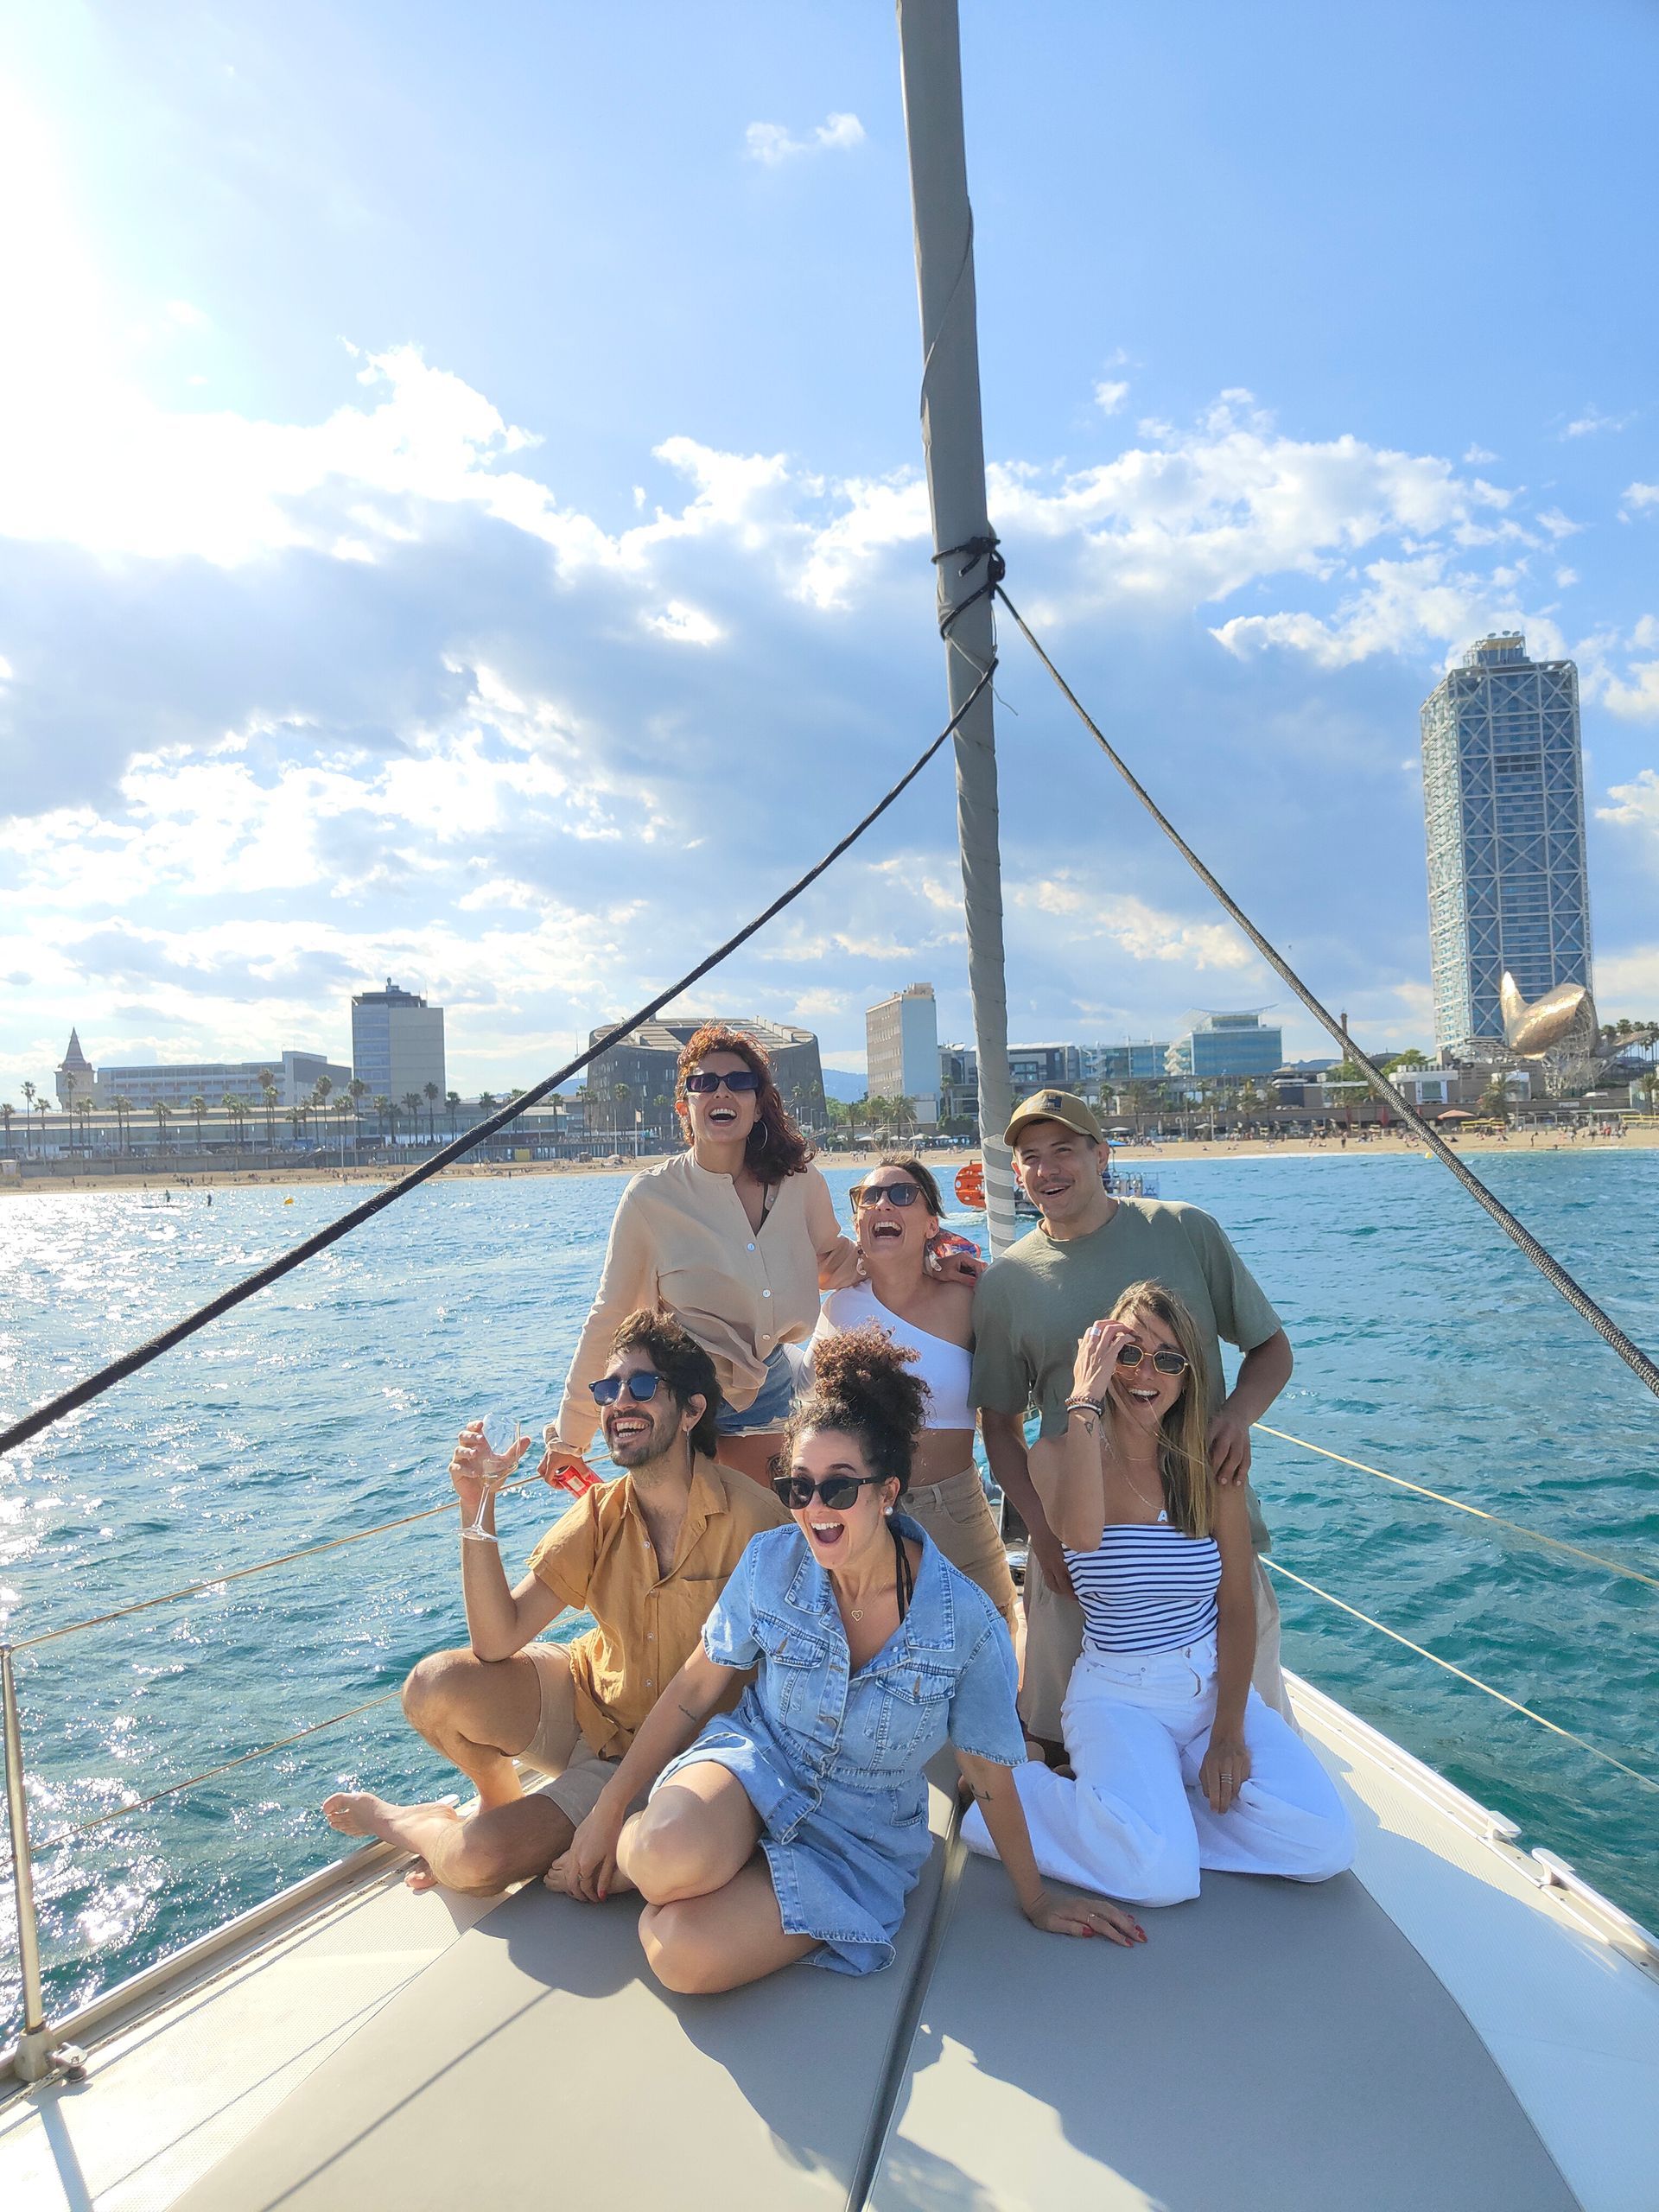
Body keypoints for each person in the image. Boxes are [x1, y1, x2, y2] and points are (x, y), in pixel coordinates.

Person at [550, 1325, 1146, 1991]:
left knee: (678, 1955)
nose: (814, 1509)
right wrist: (606, 1816)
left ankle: (716, 1863)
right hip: (757, 1766)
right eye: (798, 1488)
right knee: (661, 1858)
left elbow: (987, 1769)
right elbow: (694, 1690)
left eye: (839, 1489)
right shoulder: (771, 1564)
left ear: (888, 1493)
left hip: (858, 1836)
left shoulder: (963, 1622)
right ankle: (666, 1845)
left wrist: (1034, 1899)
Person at [321, 1309, 785, 1893]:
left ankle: (407, 1825)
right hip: (592, 1706)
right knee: (430, 1687)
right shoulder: (601, 1513)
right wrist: (477, 1505)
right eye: (608, 1388)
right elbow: (498, 1639)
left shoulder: (756, 1521)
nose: (620, 1402)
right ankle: (497, 1794)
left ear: (693, 1412)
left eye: (642, 1386)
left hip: (669, 1761)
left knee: (475, 1862)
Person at [963, 1283, 1352, 1902]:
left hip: (1208, 1691)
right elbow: (1084, 1535)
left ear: (1187, 1376)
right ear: (1100, 1354)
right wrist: (1084, 1397)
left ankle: (1149, 1818)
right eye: (1128, 1353)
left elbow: (1236, 1605)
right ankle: (1029, 1792)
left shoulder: (1206, 1462)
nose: (1146, 1375)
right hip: (1118, 1696)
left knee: (1325, 1845)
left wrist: (1228, 1731)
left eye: (1168, 1360)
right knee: (1161, 1880)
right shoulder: (1057, 1455)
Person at [971, 1089, 1295, 1752]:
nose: (1047, 1169)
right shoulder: (1007, 1282)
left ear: (1102, 1153)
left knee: (1250, 1742)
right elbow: (999, 1426)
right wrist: (1042, 1533)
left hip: (1207, 1529)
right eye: (1030, 1157)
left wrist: (1236, 1418)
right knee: (1062, 1742)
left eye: (1065, 1150)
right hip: (1082, 1549)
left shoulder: (1184, 1229)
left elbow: (1271, 1350)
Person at [540, 1027, 862, 1487]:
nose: (722, 1091)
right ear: (685, 1107)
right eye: (703, 1083)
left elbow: (835, 1259)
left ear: (758, 1103)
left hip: (775, 1405)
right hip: (687, 1413)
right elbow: (610, 1314)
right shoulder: (651, 1199)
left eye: (739, 1082)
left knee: (773, 1538)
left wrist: (929, 1258)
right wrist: (571, 1437)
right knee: (705, 1550)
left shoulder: (800, 1182)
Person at [810, 1154, 1017, 1630]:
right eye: (870, 1196)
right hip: (865, 1516)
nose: (884, 1203)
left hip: (955, 1506)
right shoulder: (837, 1311)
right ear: (858, 1220)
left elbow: (1007, 1409)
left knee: (993, 1639)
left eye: (902, 1195)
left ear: (930, 1225)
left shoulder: (968, 1300)